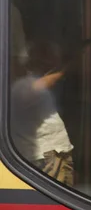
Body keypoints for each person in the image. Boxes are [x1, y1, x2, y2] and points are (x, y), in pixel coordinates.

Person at [10, 41, 74, 187]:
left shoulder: (28, 83)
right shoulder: (22, 85)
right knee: (56, 203)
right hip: (47, 155)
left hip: (55, 152)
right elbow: (34, 90)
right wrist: (62, 72)